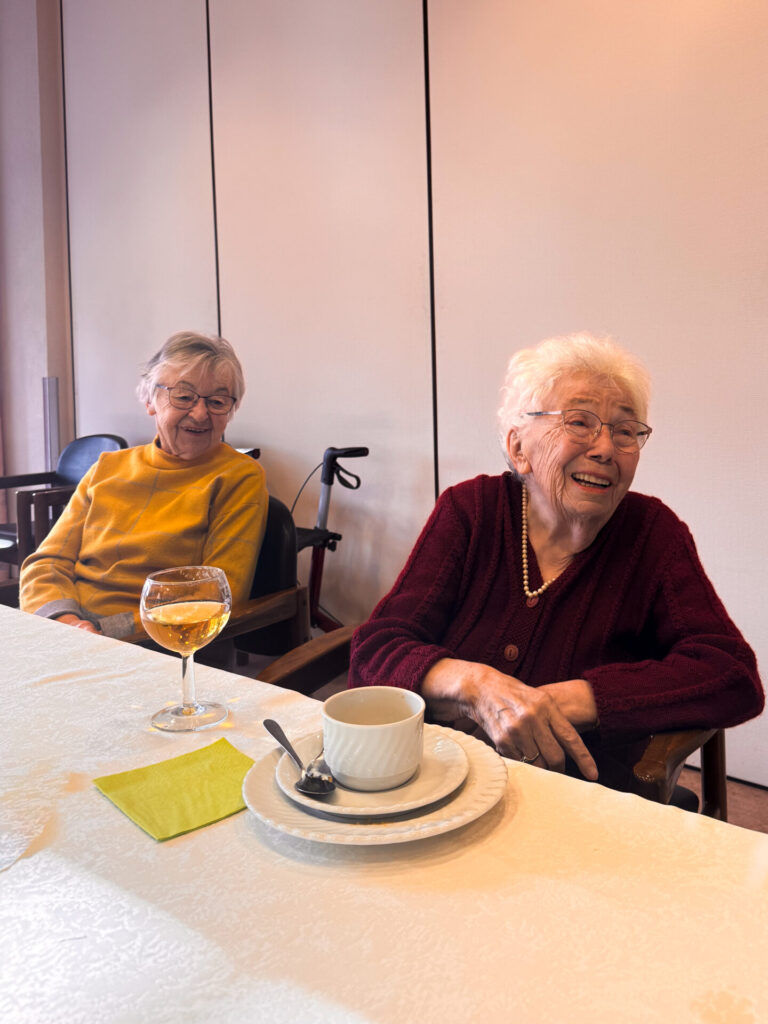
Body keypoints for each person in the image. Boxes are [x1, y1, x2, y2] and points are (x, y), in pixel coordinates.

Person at [349, 332, 764, 789]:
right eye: (579, 422)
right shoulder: (469, 511)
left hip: (581, 797)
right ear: (518, 447)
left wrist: (578, 700)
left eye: (626, 431)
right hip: (443, 781)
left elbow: (731, 673)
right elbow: (376, 650)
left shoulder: (653, 534)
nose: (606, 447)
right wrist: (477, 688)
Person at [20, 331, 267, 641]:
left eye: (217, 401)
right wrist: (67, 622)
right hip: (67, 630)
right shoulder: (107, 468)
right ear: (150, 400)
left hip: (155, 644)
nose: (201, 413)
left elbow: (215, 593)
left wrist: (101, 633)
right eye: (184, 396)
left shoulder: (238, 476)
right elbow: (48, 561)